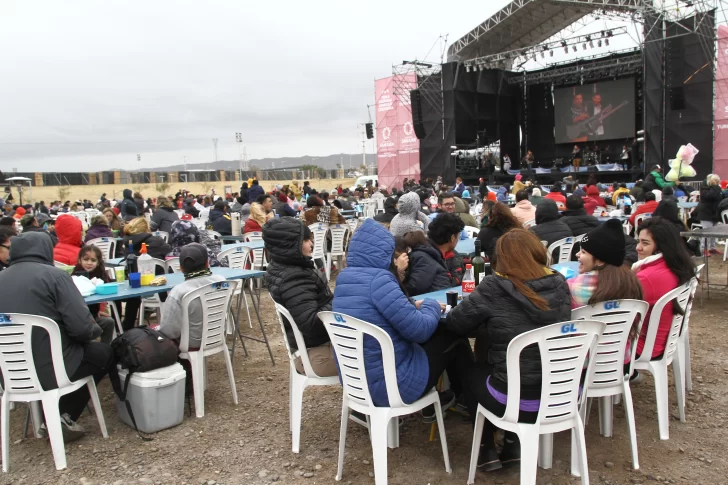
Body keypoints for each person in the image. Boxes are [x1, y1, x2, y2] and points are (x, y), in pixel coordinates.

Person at [443, 228, 572, 471]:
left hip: (514, 400)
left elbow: (456, 323)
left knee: (471, 373)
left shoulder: (494, 286)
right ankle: (512, 443)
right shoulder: (559, 282)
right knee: (500, 359)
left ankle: (486, 448)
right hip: (558, 394)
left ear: (500, 258)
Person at [333, 219, 473, 419]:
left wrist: (410, 305)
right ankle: (466, 399)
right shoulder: (380, 280)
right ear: (384, 251)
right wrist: (431, 305)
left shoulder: (344, 278)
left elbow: (377, 311)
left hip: (356, 380)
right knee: (451, 335)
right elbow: (419, 329)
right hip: (393, 385)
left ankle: (458, 398)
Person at [0, 232, 113, 441]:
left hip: (10, 374)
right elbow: (81, 329)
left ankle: (47, 412)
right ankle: (63, 414)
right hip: (54, 368)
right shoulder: (55, 276)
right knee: (103, 353)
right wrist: (96, 330)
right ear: (45, 250)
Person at [263, 218, 337, 376]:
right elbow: (311, 325)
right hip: (315, 356)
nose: (311, 243)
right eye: (305, 239)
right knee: (379, 355)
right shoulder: (294, 278)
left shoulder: (281, 267)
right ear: (289, 245)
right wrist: (339, 300)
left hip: (306, 349)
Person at [633, 217, 695, 360]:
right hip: (663, 340)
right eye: (638, 241)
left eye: (645, 243)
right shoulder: (675, 266)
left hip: (643, 346)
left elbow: (620, 310)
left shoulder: (648, 277)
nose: (638, 247)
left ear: (661, 247)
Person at [157, 243, 226, 349]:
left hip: (190, 343)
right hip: (217, 336)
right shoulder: (221, 281)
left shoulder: (178, 292)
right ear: (207, 263)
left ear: (181, 268)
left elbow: (169, 332)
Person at [567, 219, 643, 308]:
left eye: (583, 252)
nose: (577, 254)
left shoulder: (573, 286)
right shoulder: (632, 281)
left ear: (600, 261)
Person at [404, 213, 465, 296]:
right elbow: (414, 290)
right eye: (458, 236)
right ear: (452, 238)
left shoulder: (453, 255)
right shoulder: (424, 258)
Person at [72, 245, 115, 345]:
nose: (89, 263)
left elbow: (104, 295)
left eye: (93, 260)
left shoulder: (101, 274)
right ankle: (88, 352)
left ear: (98, 262)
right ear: (79, 260)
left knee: (109, 322)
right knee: (93, 329)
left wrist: (101, 308)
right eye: (86, 259)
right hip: (81, 316)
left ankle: (106, 348)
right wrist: (86, 314)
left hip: (95, 313)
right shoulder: (76, 276)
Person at [696, 173, 723, 255]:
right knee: (706, 232)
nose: (717, 182)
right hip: (705, 213)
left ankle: (712, 248)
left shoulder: (716, 188)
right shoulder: (705, 188)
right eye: (715, 181)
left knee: (714, 232)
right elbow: (711, 196)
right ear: (711, 181)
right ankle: (703, 249)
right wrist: (716, 187)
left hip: (714, 213)